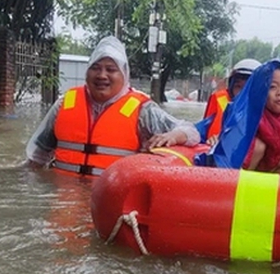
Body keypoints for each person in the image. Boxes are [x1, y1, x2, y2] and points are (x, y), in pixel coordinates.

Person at [25, 35, 200, 176]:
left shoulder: (143, 110)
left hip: (110, 200)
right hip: (63, 200)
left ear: (124, 74)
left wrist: (174, 136)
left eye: (110, 69)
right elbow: (36, 157)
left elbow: (191, 132)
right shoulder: (64, 104)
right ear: (87, 72)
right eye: (96, 68)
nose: (102, 75)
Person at [201, 58, 262, 143]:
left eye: (248, 88)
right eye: (238, 86)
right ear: (231, 86)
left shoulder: (267, 108)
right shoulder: (219, 99)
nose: (242, 93)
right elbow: (201, 131)